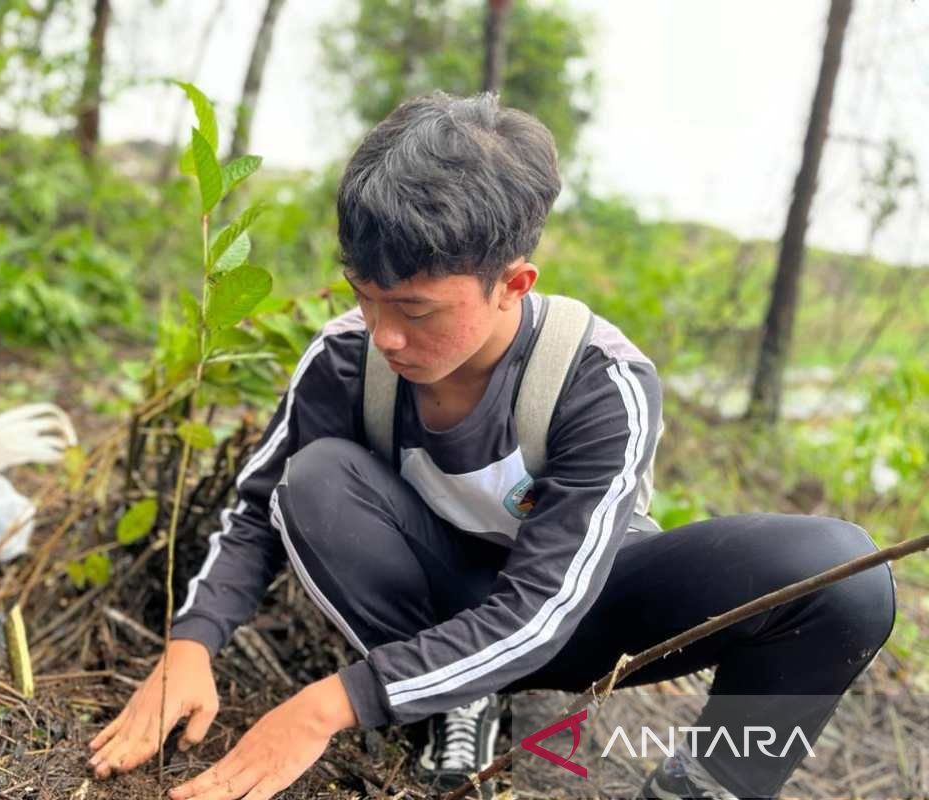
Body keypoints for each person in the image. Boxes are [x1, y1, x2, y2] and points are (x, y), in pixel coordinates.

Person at [87, 92, 896, 800]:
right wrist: (189, 649)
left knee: (842, 578)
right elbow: (259, 510)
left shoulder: (596, 384)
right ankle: (449, 696)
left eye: (417, 308)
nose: (388, 335)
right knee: (312, 479)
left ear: (514, 283)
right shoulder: (347, 357)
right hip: (427, 602)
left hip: (571, 613)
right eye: (366, 298)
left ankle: (710, 782)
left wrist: (330, 705)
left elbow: (546, 609)